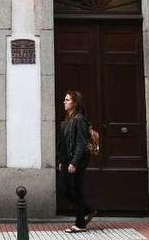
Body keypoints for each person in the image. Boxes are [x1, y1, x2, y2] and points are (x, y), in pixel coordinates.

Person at [56, 90, 97, 233]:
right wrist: (62, 160)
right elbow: (63, 143)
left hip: (77, 160)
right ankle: (88, 210)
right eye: (65, 99)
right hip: (67, 159)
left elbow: (80, 144)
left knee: (75, 190)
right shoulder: (67, 120)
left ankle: (80, 224)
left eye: (67, 100)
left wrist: (74, 162)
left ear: (75, 103)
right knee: (65, 189)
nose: (64, 102)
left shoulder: (79, 120)